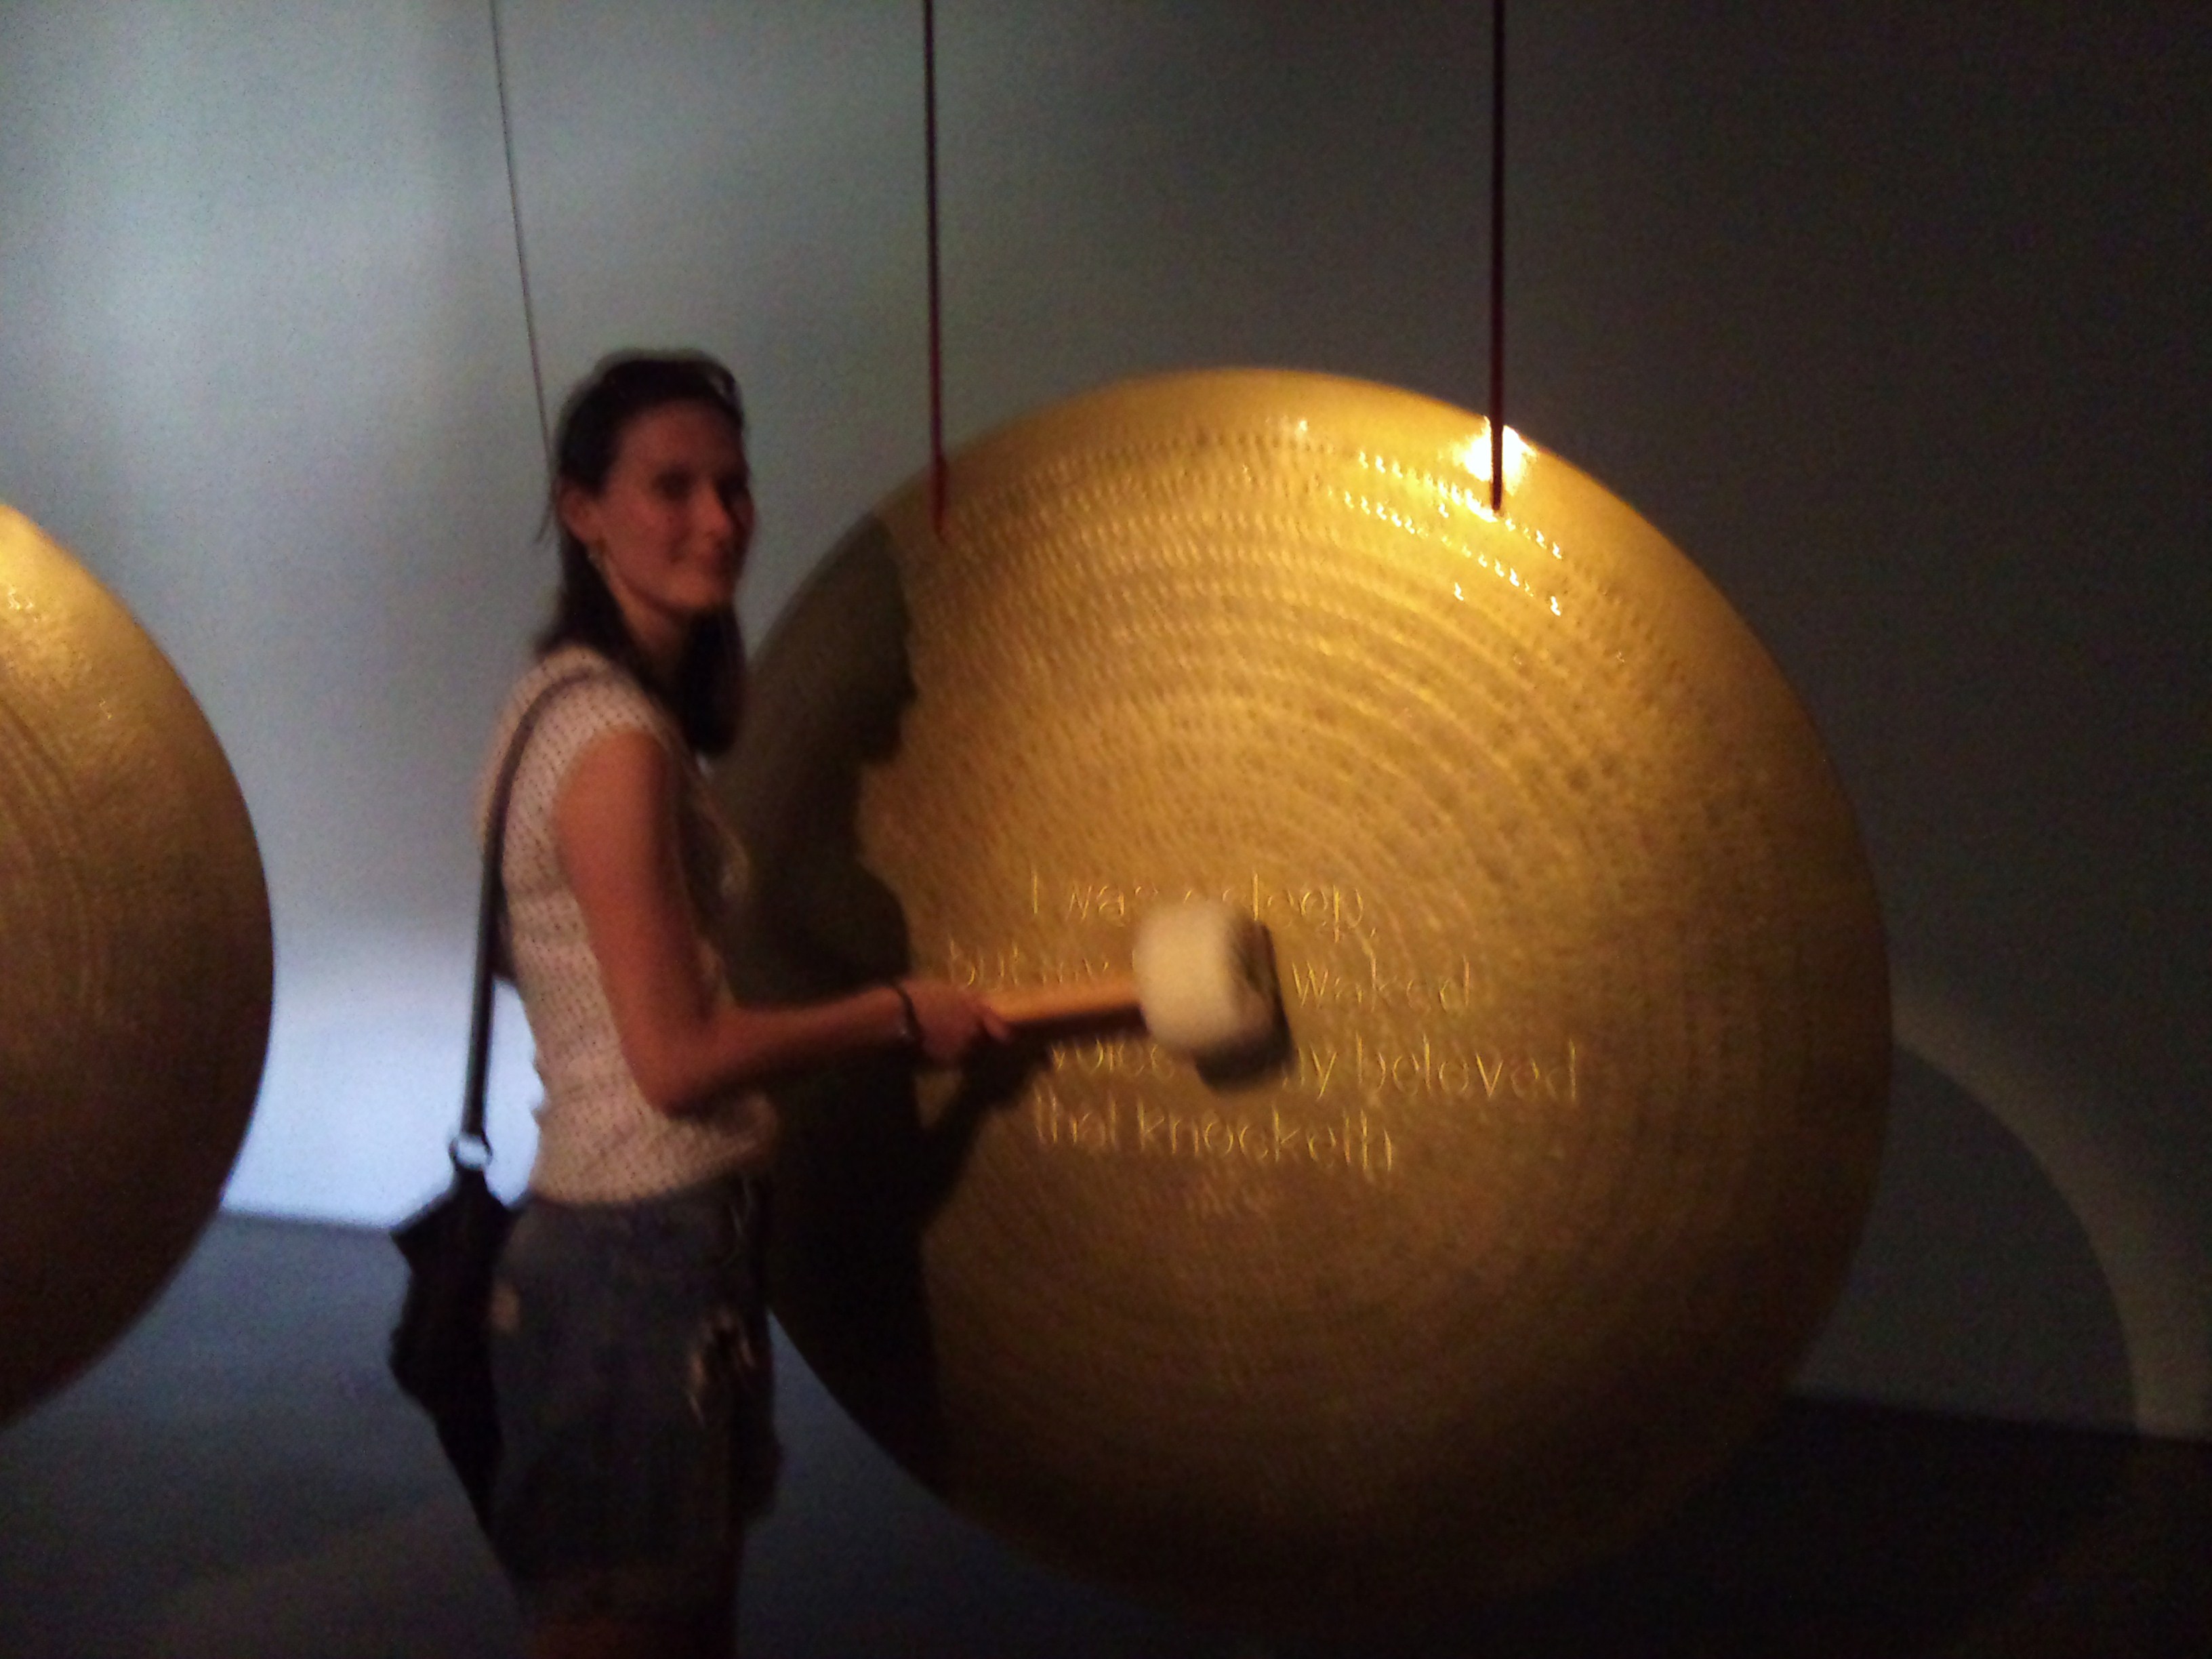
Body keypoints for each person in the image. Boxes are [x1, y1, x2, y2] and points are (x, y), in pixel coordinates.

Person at [478, 350, 1005, 1659]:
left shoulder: (562, 705)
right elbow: (675, 1062)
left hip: (641, 1242)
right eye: (672, 487)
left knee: (668, 1622)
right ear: (584, 511)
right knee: (628, 1634)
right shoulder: (613, 743)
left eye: (733, 486)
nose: (717, 520)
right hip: (635, 1254)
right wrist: (896, 1014)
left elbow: (557, 978)